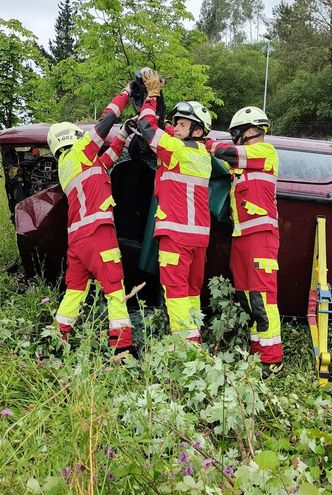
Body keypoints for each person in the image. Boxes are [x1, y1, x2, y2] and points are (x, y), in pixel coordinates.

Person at [48, 82, 136, 354]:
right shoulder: (81, 152)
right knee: (114, 287)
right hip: (98, 232)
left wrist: (123, 134)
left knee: (74, 291)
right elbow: (106, 120)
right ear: (72, 137)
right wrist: (127, 92)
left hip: (77, 240)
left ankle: (56, 339)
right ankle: (122, 348)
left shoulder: (69, 166)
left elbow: (108, 159)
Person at [135, 70, 213, 342]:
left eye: (182, 124)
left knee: (176, 292)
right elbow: (163, 129)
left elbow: (147, 128)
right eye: (176, 123)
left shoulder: (175, 150)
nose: (175, 127)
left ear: (198, 130)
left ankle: (185, 350)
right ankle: (196, 343)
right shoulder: (201, 154)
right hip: (198, 238)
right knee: (192, 293)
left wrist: (152, 96)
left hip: (176, 237)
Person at [205, 106, 283, 375]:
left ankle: (272, 359)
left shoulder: (264, 152)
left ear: (248, 131)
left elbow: (226, 153)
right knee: (248, 298)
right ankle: (257, 351)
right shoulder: (245, 163)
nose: (234, 138)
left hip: (261, 237)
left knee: (263, 298)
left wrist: (206, 141)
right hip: (242, 237)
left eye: (236, 133)